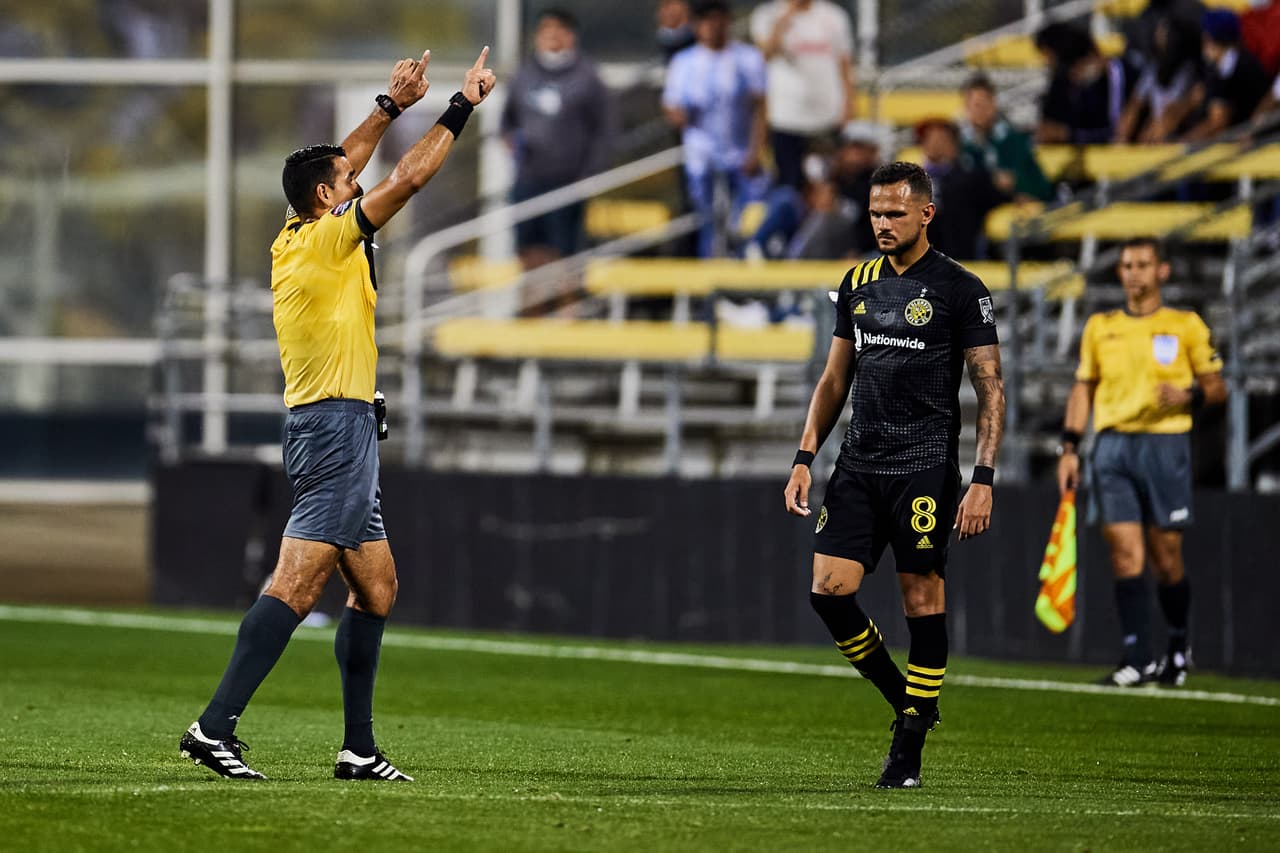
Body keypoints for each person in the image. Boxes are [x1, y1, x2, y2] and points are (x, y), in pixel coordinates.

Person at [178, 48, 497, 781]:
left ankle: (357, 747)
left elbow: (343, 161)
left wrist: (389, 106)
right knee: (297, 581)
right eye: (345, 184)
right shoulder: (329, 237)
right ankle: (213, 724)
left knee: (376, 586)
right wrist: (461, 103)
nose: (354, 182)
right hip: (333, 428)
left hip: (343, 426)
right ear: (329, 200)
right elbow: (408, 177)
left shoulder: (296, 232)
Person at [783, 161, 1005, 788]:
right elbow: (833, 379)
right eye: (876, 213)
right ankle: (909, 701)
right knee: (827, 590)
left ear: (925, 213)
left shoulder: (961, 289)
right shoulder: (857, 281)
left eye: (895, 213)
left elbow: (990, 388)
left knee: (921, 601)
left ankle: (906, 751)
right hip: (857, 462)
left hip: (924, 466)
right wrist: (804, 458)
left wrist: (983, 476)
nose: (882, 223)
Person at [1056, 238, 1227, 688]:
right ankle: (1137, 658)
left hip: (1165, 445)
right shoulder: (1100, 326)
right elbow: (1083, 388)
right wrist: (1070, 447)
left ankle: (1176, 647)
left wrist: (1187, 395)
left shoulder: (1185, 325)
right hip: (1112, 447)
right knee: (1125, 551)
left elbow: (1216, 388)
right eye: (1128, 265)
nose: (1134, 272)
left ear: (1162, 271)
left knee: (1166, 556)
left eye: (1143, 265)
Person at [501, 9, 615, 270]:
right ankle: (532, 308)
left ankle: (566, 307)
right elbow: (507, 122)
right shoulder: (524, 74)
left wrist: (590, 171)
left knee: (563, 252)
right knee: (527, 248)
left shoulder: (588, 77)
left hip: (568, 180)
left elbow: (605, 129)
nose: (552, 36)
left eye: (558, 29)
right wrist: (512, 144)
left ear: (571, 35)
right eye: (545, 29)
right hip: (529, 178)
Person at [663, 0, 768, 258]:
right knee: (706, 220)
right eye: (707, 20)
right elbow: (673, 110)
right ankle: (708, 279)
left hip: (740, 153)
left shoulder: (747, 58)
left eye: (719, 19)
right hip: (702, 156)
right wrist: (686, 113)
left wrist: (755, 150)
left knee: (746, 219)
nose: (714, 26)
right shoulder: (685, 62)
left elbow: (760, 108)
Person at [750, 0, 856, 190]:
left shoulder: (834, 16)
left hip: (827, 118)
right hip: (786, 119)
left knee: (828, 185)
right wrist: (782, 21)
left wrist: (849, 107)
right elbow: (764, 55)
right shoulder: (766, 14)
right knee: (790, 187)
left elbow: (845, 64)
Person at [916, 118, 1010, 260]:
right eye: (928, 138)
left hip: (960, 255)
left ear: (953, 145)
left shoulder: (971, 177)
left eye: (940, 139)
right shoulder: (911, 179)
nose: (933, 144)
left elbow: (997, 197)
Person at [1035, 22, 1137, 144]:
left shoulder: (1125, 75)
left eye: (1076, 69)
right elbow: (1049, 125)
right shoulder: (1061, 82)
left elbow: (1121, 134)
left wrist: (1069, 135)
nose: (1074, 78)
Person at [1179, 10, 1271, 141]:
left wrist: (1183, 142)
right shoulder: (1218, 68)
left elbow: (1218, 122)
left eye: (1207, 38)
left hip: (1249, 141)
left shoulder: (1240, 67)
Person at [959, 74, 1053, 202]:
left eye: (984, 104)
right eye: (975, 105)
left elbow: (1042, 188)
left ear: (993, 103)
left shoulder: (1015, 140)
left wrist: (1016, 183)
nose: (979, 111)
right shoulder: (960, 145)